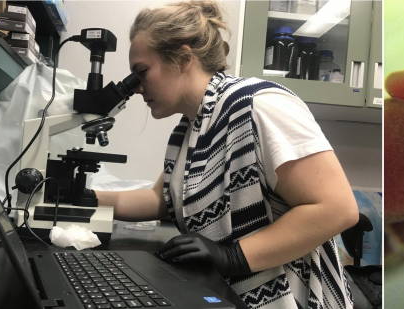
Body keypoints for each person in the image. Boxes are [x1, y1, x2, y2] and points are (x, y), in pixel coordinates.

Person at [94, 2, 358, 308]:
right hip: (225, 293)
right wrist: (82, 198)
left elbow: (337, 208)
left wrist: (233, 256)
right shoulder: (191, 126)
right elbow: (163, 200)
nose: (136, 88)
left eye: (142, 72)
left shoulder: (258, 104)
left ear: (182, 58)